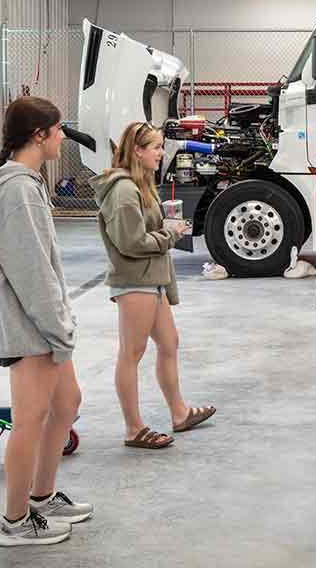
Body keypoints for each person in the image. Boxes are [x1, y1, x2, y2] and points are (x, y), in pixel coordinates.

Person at [0, 95, 91, 549]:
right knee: (30, 420)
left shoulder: (27, 184)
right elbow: (32, 274)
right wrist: (57, 328)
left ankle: (41, 498)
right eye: (58, 129)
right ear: (39, 136)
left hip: (41, 326)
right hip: (31, 329)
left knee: (67, 403)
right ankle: (14, 520)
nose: (63, 137)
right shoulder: (19, 192)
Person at [95, 121, 216, 450]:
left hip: (152, 278)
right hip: (135, 279)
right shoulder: (122, 191)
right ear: (138, 150)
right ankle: (134, 429)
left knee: (169, 343)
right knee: (131, 353)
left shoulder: (140, 185)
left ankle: (179, 412)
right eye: (157, 147)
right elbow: (131, 242)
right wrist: (169, 235)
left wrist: (165, 227)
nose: (162, 154)